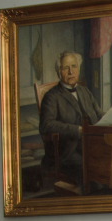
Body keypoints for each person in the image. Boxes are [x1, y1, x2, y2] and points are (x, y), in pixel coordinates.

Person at [39, 51, 104, 185]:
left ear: (78, 69)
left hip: (91, 145)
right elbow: (46, 125)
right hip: (66, 152)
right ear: (58, 72)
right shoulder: (52, 96)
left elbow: (98, 113)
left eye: (74, 66)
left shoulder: (84, 91)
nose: (71, 72)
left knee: (110, 164)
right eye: (65, 68)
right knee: (90, 169)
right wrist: (76, 130)